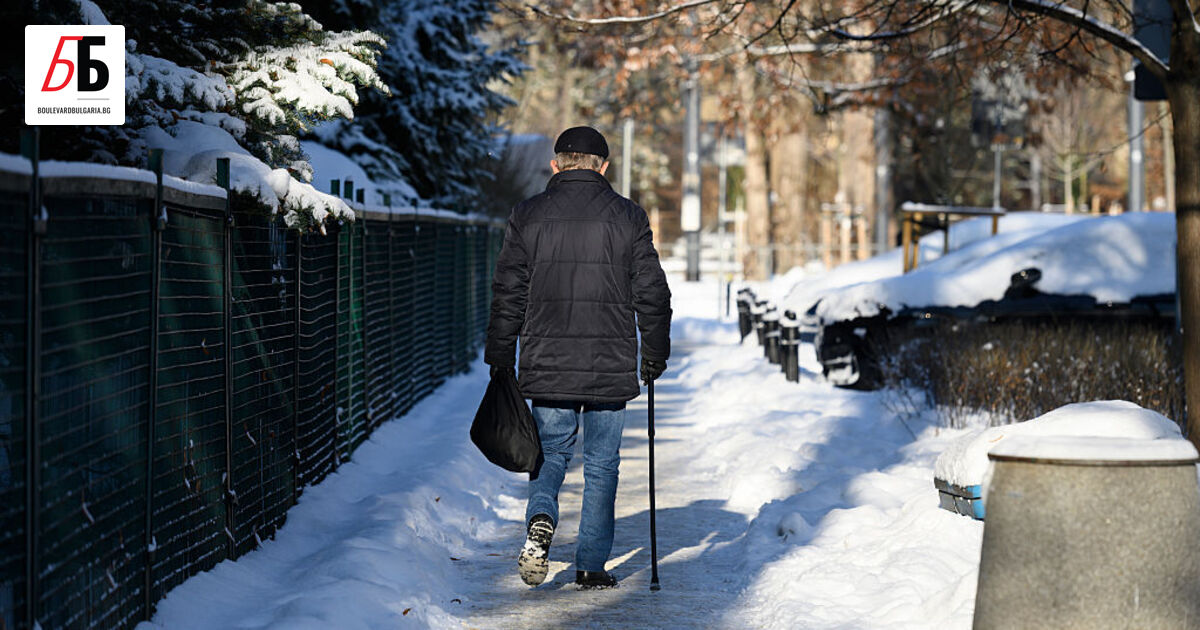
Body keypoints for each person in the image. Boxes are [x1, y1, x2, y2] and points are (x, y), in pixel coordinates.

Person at [484, 126, 672, 590]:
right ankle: (590, 565)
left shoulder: (527, 215)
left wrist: (501, 354)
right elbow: (652, 292)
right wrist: (655, 351)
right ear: (604, 167)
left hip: (546, 359)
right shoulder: (628, 217)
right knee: (603, 464)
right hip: (609, 361)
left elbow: (509, 291)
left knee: (550, 453)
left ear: (556, 165)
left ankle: (542, 516)